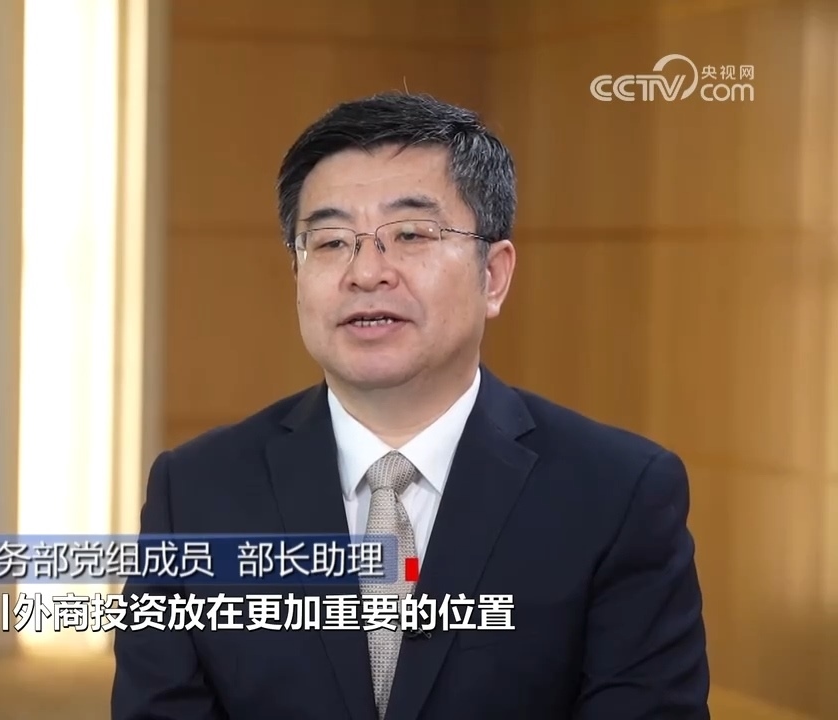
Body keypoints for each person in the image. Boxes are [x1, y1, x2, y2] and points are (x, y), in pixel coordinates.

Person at [111, 92, 710, 720]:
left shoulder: (618, 494)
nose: (367, 273)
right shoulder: (195, 492)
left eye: (410, 234)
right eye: (330, 242)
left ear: (493, 276)